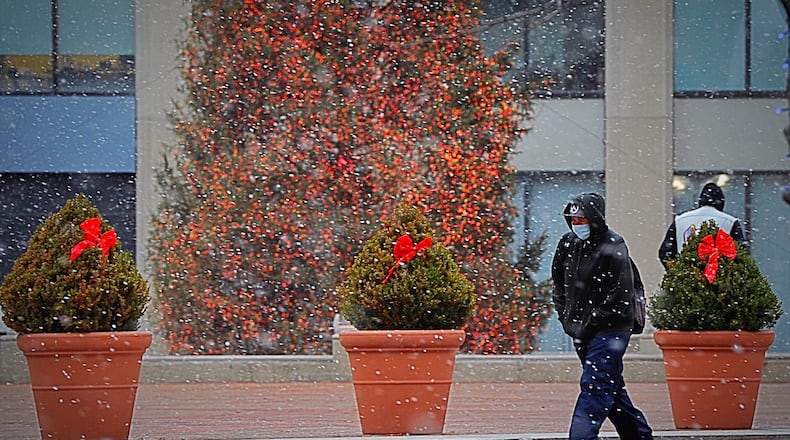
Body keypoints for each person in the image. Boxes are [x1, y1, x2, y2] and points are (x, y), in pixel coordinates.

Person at [551, 192, 653, 440]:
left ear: (595, 218)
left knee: (595, 384)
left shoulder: (614, 245)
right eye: (573, 220)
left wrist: (590, 321)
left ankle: (581, 437)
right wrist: (567, 318)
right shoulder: (568, 244)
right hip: (581, 330)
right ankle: (639, 436)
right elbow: (558, 284)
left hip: (612, 328)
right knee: (610, 387)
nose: (577, 225)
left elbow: (620, 295)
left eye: (582, 220)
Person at [658, 182, 749, 268]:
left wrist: (677, 271)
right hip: (718, 275)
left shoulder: (680, 220)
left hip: (686, 274)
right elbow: (742, 254)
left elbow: (665, 252)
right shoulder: (730, 222)